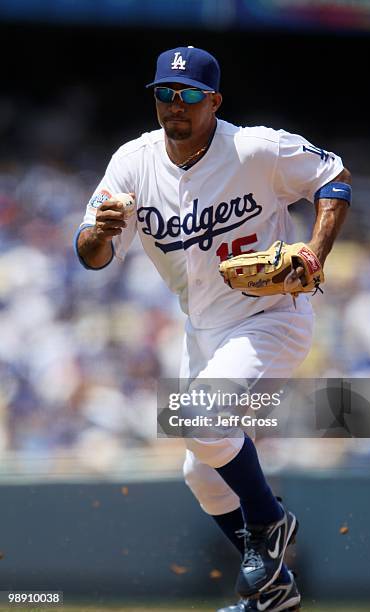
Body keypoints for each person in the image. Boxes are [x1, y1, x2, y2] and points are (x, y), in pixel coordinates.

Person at [75, 46, 351, 612]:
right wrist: (99, 232)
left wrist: (316, 253)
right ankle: (275, 594)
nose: (176, 105)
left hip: (269, 315)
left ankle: (270, 523)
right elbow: (91, 254)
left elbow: (334, 177)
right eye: (165, 94)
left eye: (190, 95)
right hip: (201, 328)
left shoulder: (253, 148)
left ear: (215, 101)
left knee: (199, 419)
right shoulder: (132, 163)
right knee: (200, 474)